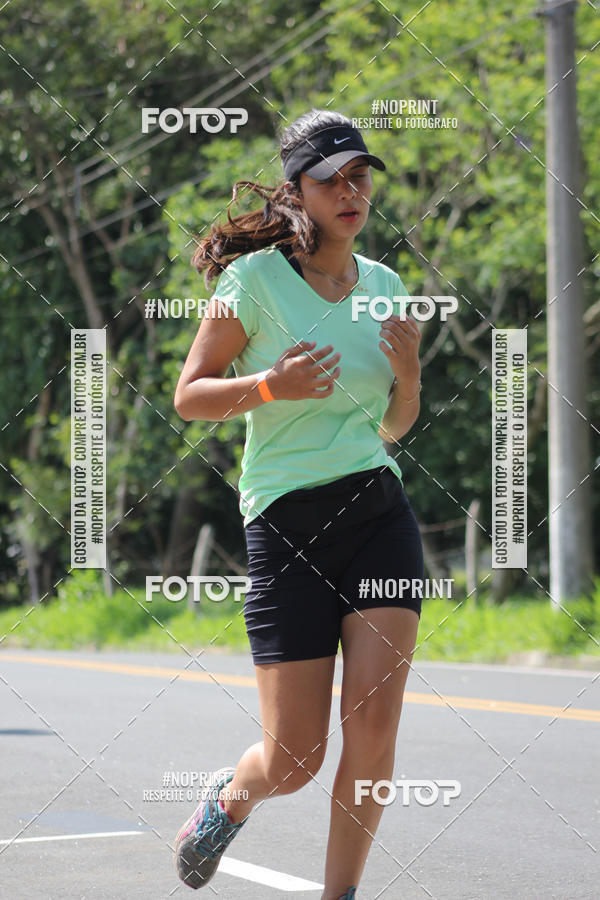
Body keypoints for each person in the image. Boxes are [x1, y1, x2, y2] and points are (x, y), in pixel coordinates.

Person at [173, 108, 425, 899]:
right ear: (298, 191)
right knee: (295, 757)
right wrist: (269, 385)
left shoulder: (383, 285)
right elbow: (190, 397)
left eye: (361, 176)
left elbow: (390, 426)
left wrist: (411, 377)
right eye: (332, 180)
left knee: (376, 729)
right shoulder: (252, 282)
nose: (352, 192)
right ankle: (227, 802)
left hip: (377, 513)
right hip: (287, 526)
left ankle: (339, 895)